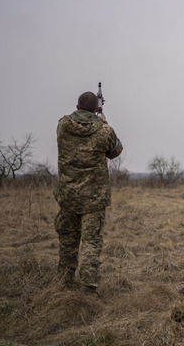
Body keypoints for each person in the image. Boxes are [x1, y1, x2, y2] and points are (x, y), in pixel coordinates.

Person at [54, 91, 123, 292]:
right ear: (96, 109)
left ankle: (64, 282)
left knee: (67, 241)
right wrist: (105, 122)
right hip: (94, 198)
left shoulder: (62, 126)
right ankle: (89, 288)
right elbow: (115, 151)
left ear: (76, 107)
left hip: (68, 196)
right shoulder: (103, 130)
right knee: (91, 243)